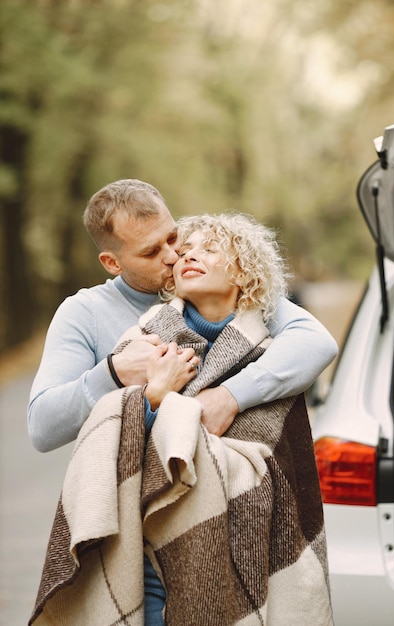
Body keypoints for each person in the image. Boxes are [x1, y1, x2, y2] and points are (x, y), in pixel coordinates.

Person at [30, 213, 334, 626]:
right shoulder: (145, 341)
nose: (186, 255)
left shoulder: (273, 350)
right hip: (147, 551)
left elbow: (274, 459)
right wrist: (155, 397)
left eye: (209, 250)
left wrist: (225, 402)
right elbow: (109, 440)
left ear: (244, 271)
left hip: (248, 544)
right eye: (185, 251)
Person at [28, 179, 337, 454]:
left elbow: (315, 343)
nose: (173, 256)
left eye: (173, 237)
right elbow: (42, 426)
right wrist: (114, 372)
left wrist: (229, 397)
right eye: (151, 252)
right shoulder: (85, 312)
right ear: (112, 263)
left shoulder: (226, 287)